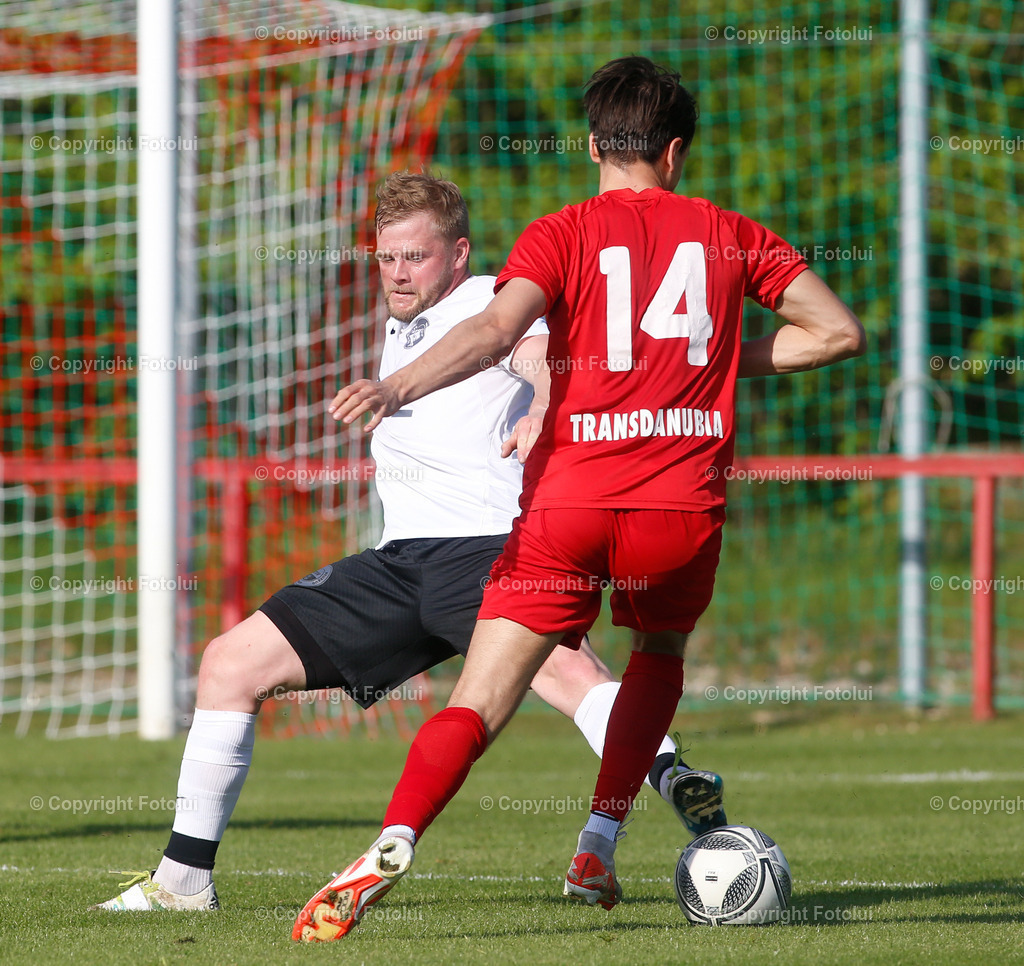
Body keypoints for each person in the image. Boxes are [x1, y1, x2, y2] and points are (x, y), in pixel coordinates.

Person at [296, 57, 866, 942]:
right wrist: (705, 369)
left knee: (477, 701)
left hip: (569, 506)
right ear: (674, 152)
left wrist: (400, 385)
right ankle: (599, 840)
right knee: (658, 655)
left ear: (594, 144)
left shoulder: (560, 232)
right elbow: (836, 332)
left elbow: (492, 329)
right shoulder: (730, 232)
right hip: (678, 512)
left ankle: (394, 840)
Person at [90, 171, 726, 914]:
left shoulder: (490, 296)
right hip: (400, 564)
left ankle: (677, 780)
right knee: (229, 665)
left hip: (488, 549)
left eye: (415, 257)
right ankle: (183, 881)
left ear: (457, 254)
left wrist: (546, 411)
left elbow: (543, 355)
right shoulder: (405, 320)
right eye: (386, 257)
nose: (397, 272)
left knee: (574, 680)